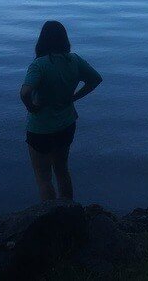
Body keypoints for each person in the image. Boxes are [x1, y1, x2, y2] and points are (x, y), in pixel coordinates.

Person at [20, 21, 102, 201]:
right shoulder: (74, 60)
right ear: (65, 40)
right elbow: (95, 79)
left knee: (43, 178)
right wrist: (74, 97)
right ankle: (68, 215)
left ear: (42, 41)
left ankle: (49, 220)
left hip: (40, 129)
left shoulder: (39, 65)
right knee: (62, 171)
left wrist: (31, 107)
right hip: (66, 125)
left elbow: (25, 92)